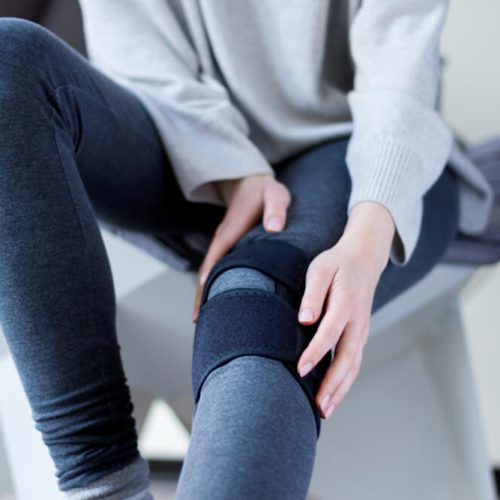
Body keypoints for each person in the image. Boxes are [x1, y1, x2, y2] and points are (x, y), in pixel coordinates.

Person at [0, 1, 492, 499]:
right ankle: (107, 488)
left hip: (343, 135)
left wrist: (367, 238)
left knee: (263, 304)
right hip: (174, 125)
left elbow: (399, 65)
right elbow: (138, 48)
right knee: (8, 61)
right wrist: (232, 170)